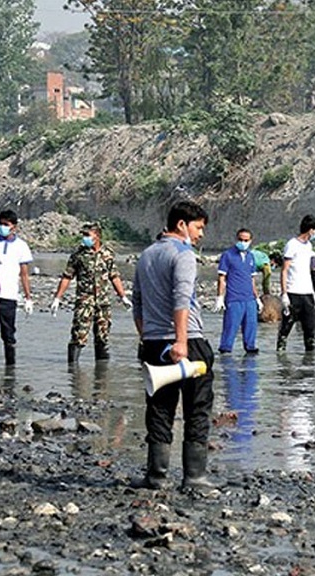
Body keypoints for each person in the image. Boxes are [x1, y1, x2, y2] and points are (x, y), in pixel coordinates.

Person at [130, 200, 217, 490]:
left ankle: (156, 475)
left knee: (158, 408)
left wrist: (147, 337)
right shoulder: (183, 254)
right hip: (187, 340)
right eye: (198, 227)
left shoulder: (146, 255)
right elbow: (182, 299)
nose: (201, 234)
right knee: (198, 407)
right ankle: (194, 476)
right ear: (182, 225)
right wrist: (180, 340)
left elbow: (137, 304)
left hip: (154, 344)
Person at [50, 221, 132, 363]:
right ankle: (73, 373)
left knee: (102, 337)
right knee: (78, 336)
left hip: (103, 303)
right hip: (84, 301)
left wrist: (123, 297)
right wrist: (57, 298)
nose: (84, 238)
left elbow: (114, 276)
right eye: (83, 235)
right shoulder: (78, 255)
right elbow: (67, 276)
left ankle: (101, 375)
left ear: (97, 236)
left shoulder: (107, 254)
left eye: (87, 235)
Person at [0, 210, 34, 366]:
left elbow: (24, 274)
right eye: (0, 224)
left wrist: (28, 298)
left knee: (8, 335)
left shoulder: (21, 246)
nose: (2, 227)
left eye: (6, 224)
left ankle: (10, 370)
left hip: (9, 296)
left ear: (14, 227)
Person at [277, 215, 315, 352]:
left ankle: (309, 363)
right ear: (310, 230)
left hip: (307, 292)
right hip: (293, 292)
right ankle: (281, 356)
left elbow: (306, 270)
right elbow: (284, 270)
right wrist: (284, 294)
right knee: (286, 327)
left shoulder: (309, 246)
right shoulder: (292, 245)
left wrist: (313, 292)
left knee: (310, 329)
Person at [215, 228, 262, 354]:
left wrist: (257, 298)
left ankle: (250, 353)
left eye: (246, 240)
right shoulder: (228, 255)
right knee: (230, 329)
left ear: (251, 241)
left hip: (249, 299)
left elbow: (252, 280)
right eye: (240, 240)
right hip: (234, 298)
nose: (243, 242)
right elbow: (222, 277)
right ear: (236, 239)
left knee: (251, 329)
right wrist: (219, 297)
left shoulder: (251, 257)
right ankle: (225, 352)